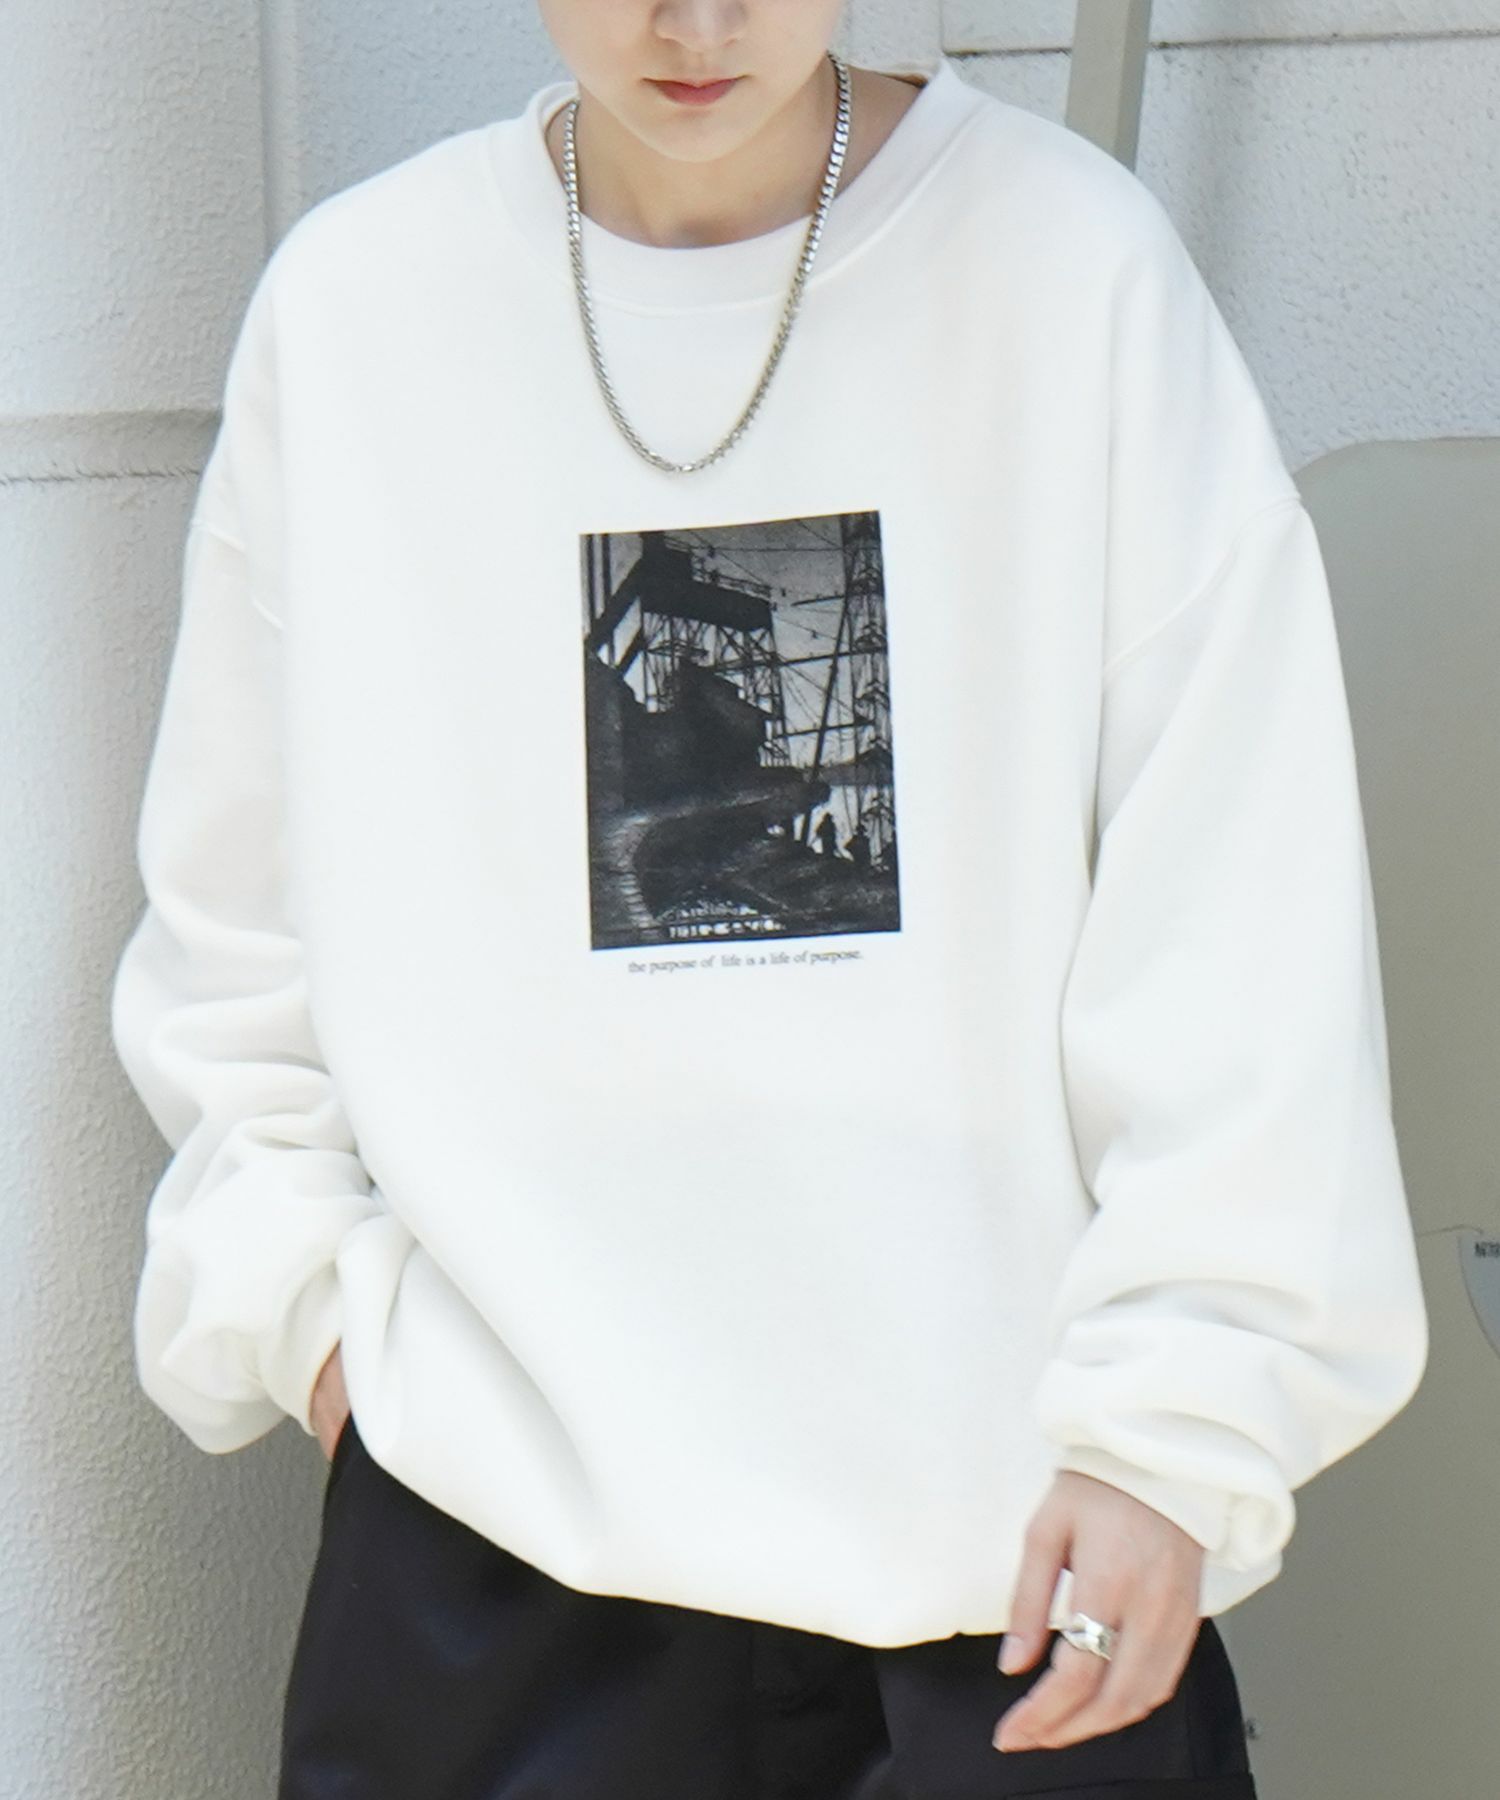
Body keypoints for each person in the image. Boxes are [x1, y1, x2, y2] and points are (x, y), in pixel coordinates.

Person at [109, 3, 1430, 1796]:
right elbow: (231, 939)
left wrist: (1176, 1436)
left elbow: (1240, 912)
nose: (697, 21)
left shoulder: (1069, 277)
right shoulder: (361, 315)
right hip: (491, 1559)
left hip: (1014, 1565)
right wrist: (326, 1339)